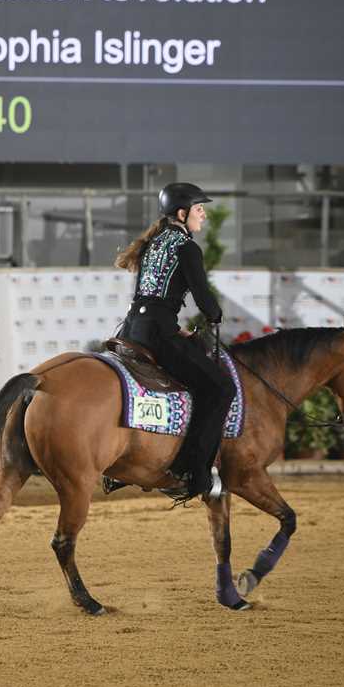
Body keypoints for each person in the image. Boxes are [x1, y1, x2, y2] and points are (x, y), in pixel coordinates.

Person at [115, 182, 236, 500]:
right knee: (222, 388)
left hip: (132, 329)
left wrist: (175, 328)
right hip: (157, 334)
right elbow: (203, 297)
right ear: (182, 214)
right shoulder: (186, 247)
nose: (204, 215)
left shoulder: (153, 242)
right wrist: (215, 315)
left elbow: (150, 296)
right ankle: (194, 471)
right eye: (199, 209)